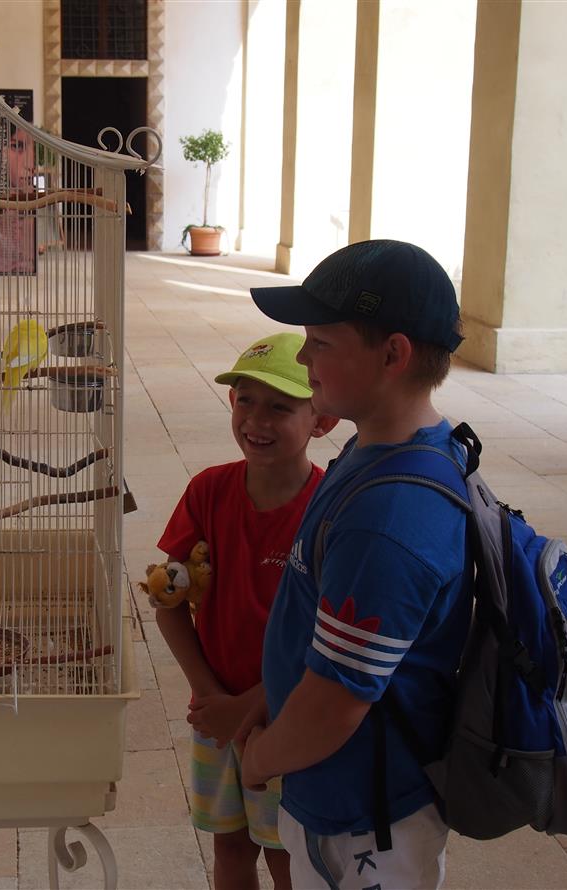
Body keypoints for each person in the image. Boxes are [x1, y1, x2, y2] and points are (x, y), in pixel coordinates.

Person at [238, 240, 470, 890]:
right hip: (343, 793)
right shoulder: (381, 450)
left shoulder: (388, 518)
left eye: (320, 342)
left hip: (367, 822)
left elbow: (335, 706)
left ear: (393, 354)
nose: (303, 357)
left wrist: (261, 758)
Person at [153, 332, 337, 890]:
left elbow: (328, 642)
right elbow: (167, 604)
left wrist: (249, 707)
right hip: (213, 714)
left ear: (322, 420)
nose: (256, 420)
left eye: (279, 407)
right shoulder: (207, 491)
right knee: (229, 846)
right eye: (246, 401)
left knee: (286, 855)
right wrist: (211, 698)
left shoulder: (328, 511)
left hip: (287, 720)